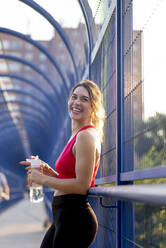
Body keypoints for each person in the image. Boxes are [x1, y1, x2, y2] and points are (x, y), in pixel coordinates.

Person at [20, 79, 105, 248]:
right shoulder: (76, 135)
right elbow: (70, 177)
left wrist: (43, 180)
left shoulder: (86, 136)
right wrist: (49, 172)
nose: (77, 102)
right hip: (63, 216)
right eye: (74, 97)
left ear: (93, 107)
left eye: (84, 99)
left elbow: (81, 186)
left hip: (75, 219)